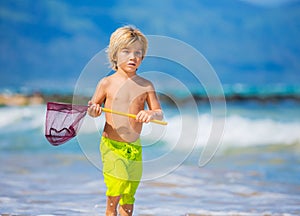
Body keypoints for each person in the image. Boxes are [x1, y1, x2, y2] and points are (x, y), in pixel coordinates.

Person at [87, 26, 163, 216]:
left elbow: (158, 112)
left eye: (138, 53)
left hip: (134, 148)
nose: (133, 57)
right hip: (112, 147)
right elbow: (93, 110)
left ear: (142, 58)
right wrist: (94, 110)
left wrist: (150, 115)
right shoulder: (106, 83)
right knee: (116, 189)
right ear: (115, 55)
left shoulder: (146, 85)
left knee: (129, 194)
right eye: (126, 51)